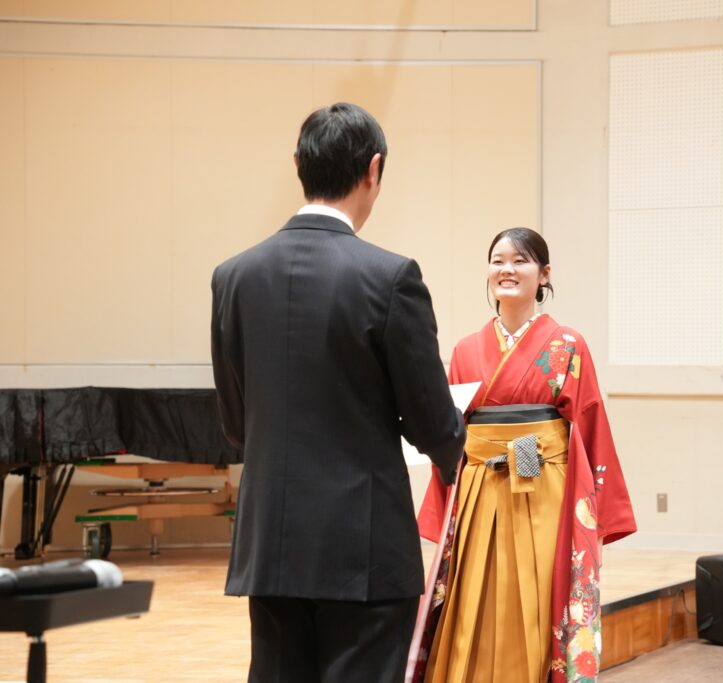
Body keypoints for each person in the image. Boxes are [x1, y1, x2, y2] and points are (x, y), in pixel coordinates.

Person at [210, 102, 466, 683]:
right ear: (373, 169)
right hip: (363, 549)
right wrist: (460, 452)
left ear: (298, 165)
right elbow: (431, 423)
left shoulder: (233, 276)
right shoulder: (390, 276)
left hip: (270, 546)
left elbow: (234, 423)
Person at [411, 228, 637, 683]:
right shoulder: (465, 349)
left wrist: (597, 510)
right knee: (474, 595)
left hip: (541, 486)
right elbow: (451, 431)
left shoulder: (567, 345)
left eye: (520, 260)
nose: (507, 270)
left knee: (536, 594)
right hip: (478, 489)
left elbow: (589, 423)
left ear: (544, 274)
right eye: (498, 260)